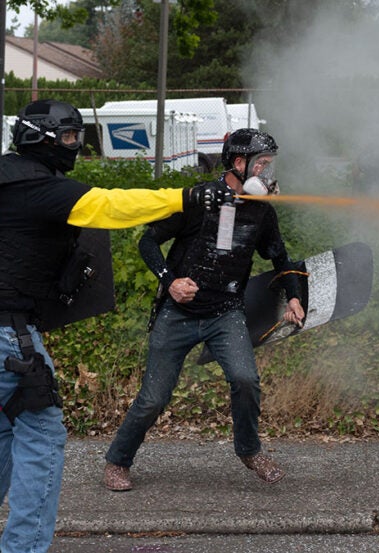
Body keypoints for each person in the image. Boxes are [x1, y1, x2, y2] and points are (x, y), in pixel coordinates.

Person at [0, 99, 231, 553]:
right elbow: (110, 205)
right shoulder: (37, 188)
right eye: (69, 137)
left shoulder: (9, 178)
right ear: (41, 138)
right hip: (9, 334)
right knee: (42, 435)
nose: (74, 145)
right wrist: (186, 197)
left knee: (6, 429)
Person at [104, 128, 305, 492]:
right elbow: (148, 242)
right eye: (262, 164)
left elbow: (280, 257)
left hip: (226, 312)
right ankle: (118, 461)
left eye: (270, 165)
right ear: (239, 163)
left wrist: (293, 297)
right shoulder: (200, 199)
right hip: (178, 314)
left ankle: (250, 451)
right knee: (153, 399)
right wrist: (170, 281)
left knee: (245, 380)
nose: (267, 172)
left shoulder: (262, 211)